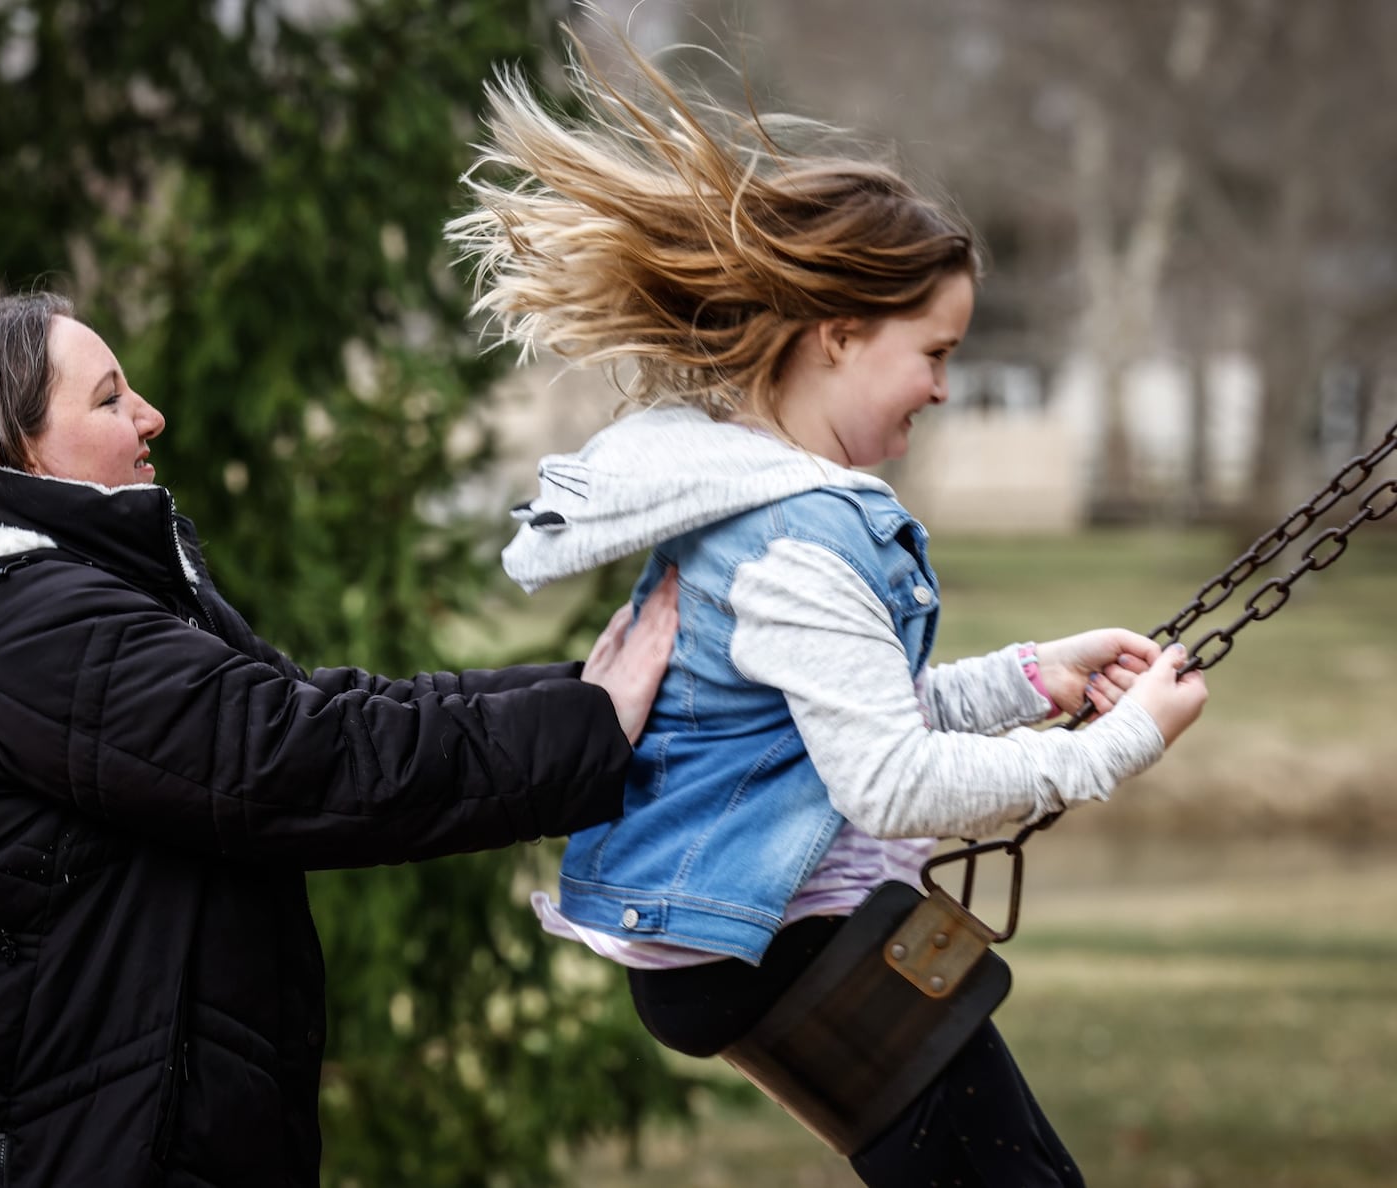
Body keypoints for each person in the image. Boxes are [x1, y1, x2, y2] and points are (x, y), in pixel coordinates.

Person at [447, 37, 1208, 1188]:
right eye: (934, 352)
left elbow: (831, 721)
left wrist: (1028, 681)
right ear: (839, 333)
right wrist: (1118, 745)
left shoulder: (759, 496)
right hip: (777, 941)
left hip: (757, 930)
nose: (946, 387)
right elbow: (887, 782)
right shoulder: (795, 534)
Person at [0, 291, 680, 1187]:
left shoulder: (68, 601)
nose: (150, 416)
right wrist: (588, 722)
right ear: (19, 447)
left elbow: (314, 707)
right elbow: (295, 762)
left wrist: (585, 693)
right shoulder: (21, 622)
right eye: (108, 400)